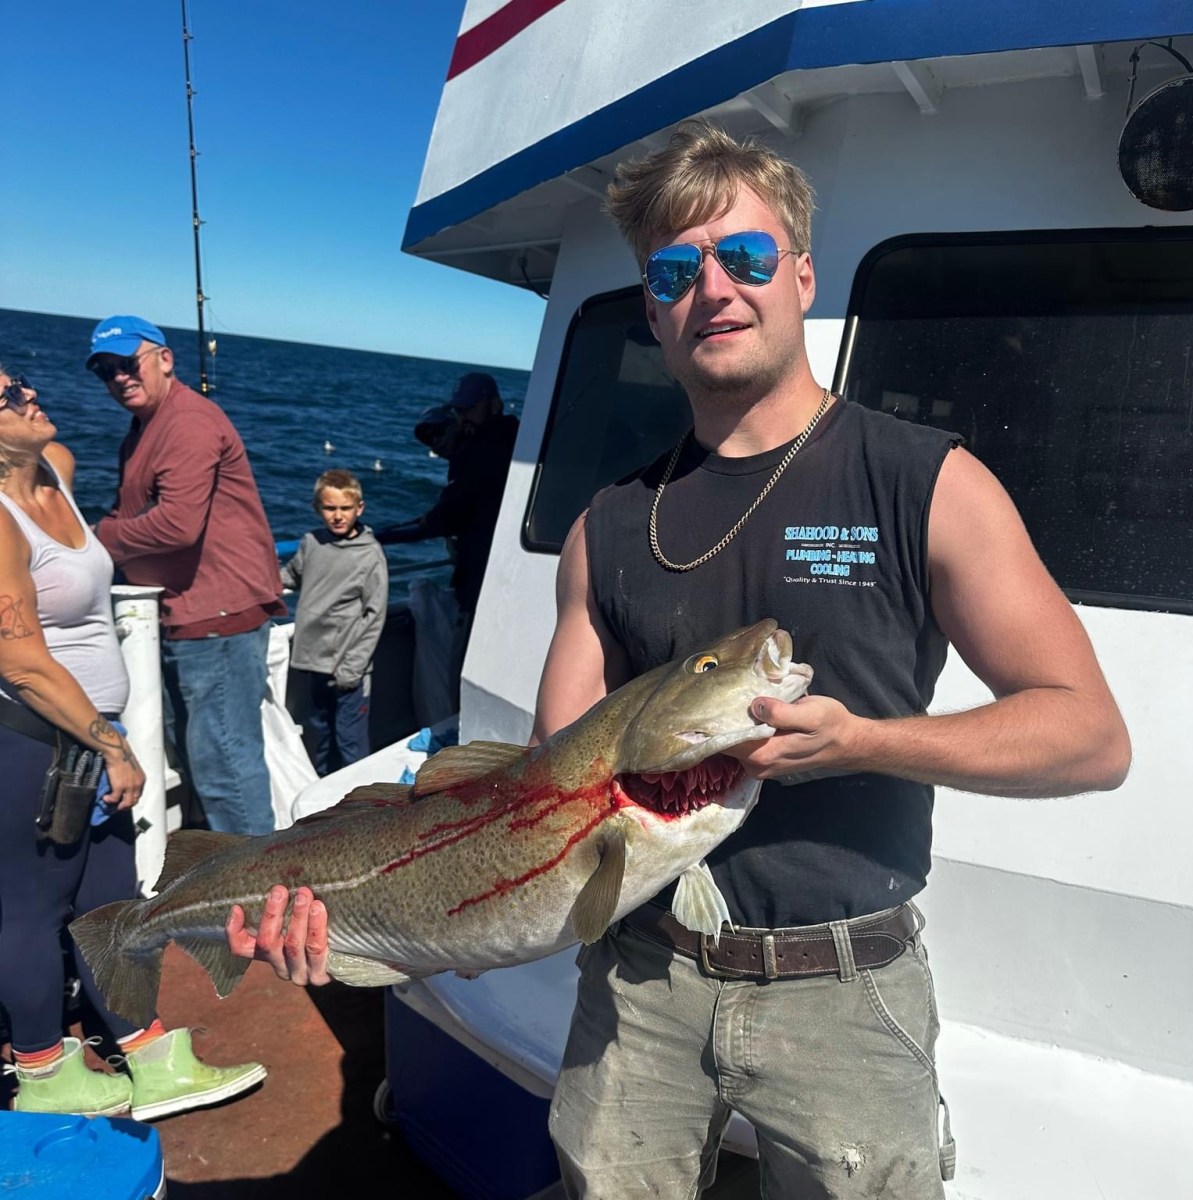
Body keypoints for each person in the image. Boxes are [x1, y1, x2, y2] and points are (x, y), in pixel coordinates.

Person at [225, 120, 1131, 1197]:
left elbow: (1089, 732)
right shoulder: (607, 524)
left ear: (800, 275)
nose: (716, 288)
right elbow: (547, 780)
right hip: (638, 976)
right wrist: (396, 920)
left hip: (846, 984)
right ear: (653, 307)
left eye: (746, 258)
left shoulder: (925, 480)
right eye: (676, 269)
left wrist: (867, 742)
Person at [0, 367, 265, 1120]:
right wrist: (112, 744)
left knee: (111, 902)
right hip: (32, 743)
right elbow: (17, 659)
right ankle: (45, 1073)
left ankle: (145, 1051)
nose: (27, 395)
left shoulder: (55, 469)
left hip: (87, 744)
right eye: (7, 398)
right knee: (30, 910)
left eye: (19, 383)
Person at [88, 316, 285, 836]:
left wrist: (96, 538)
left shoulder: (188, 422)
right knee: (202, 760)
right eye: (107, 371)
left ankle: (263, 894)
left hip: (216, 621)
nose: (119, 378)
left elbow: (176, 524)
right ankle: (216, 875)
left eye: (128, 364)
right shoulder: (142, 431)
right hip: (180, 617)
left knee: (226, 768)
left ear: (164, 359)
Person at [376, 372, 519, 700]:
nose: (463, 417)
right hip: (504, 575)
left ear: (493, 404)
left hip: (482, 577)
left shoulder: (478, 450)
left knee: (465, 667)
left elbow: (453, 512)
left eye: (470, 408)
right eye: (458, 411)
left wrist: (426, 523)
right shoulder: (517, 437)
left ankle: (456, 734)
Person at [282, 469, 389, 775]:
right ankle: (324, 800)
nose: (338, 516)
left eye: (345, 508)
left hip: (348, 669)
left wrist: (352, 667)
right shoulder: (311, 543)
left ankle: (360, 808)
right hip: (312, 663)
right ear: (318, 508)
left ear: (360, 509)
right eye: (330, 508)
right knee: (319, 736)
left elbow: (374, 615)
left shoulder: (370, 554)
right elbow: (291, 576)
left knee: (351, 742)